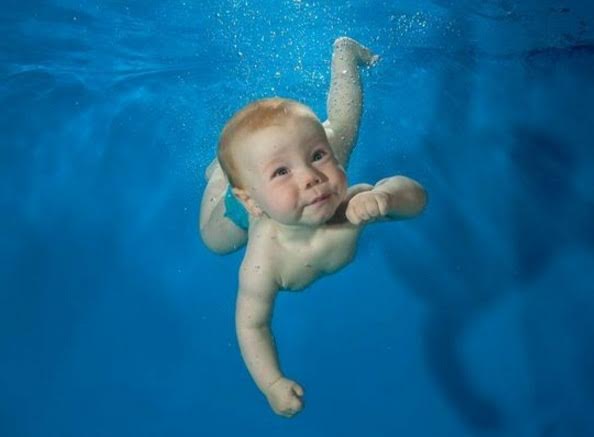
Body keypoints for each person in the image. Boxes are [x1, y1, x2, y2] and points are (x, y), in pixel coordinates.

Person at [199, 37, 427, 418]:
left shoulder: (348, 200)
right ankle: (219, 176)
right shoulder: (262, 261)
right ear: (253, 199)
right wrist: (271, 382)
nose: (311, 178)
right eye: (282, 171)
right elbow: (252, 326)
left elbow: (419, 200)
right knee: (213, 240)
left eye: (317, 156)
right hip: (243, 213)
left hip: (288, 182)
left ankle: (345, 53)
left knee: (341, 126)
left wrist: (387, 197)